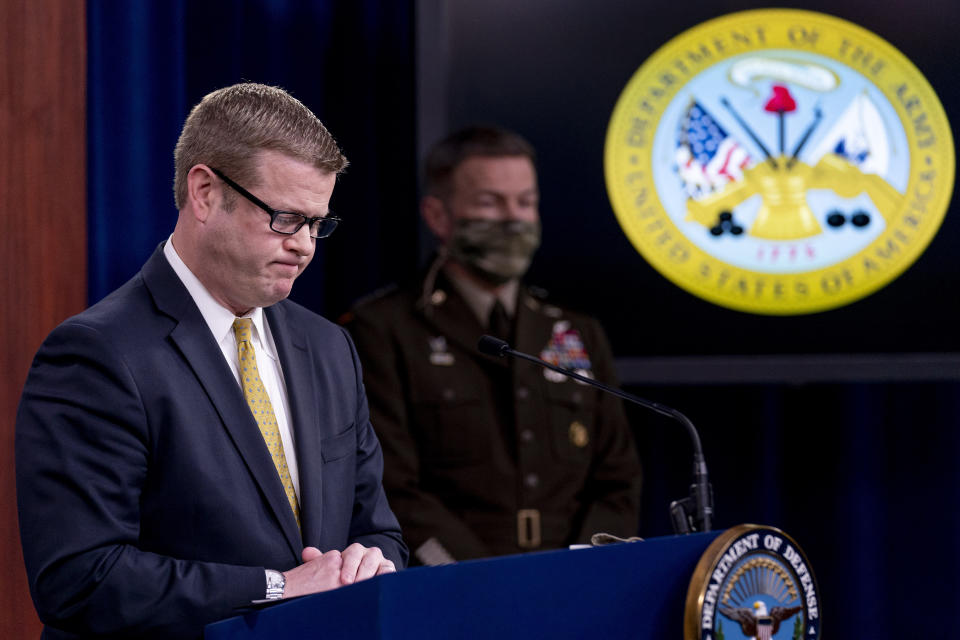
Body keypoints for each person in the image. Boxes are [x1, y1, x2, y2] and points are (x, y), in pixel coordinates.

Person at [15, 83, 407, 639]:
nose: (305, 246)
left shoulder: (329, 348)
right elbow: (81, 578)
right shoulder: (97, 354)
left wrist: (369, 562)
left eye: (318, 224)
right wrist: (277, 587)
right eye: (286, 218)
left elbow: (379, 531)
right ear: (204, 193)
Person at [343, 126, 641, 565]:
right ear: (438, 215)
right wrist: (480, 581)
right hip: (452, 588)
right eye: (490, 202)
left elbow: (618, 478)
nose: (513, 219)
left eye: (525, 202)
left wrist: (586, 570)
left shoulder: (576, 331)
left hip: (573, 584)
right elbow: (390, 485)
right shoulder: (383, 329)